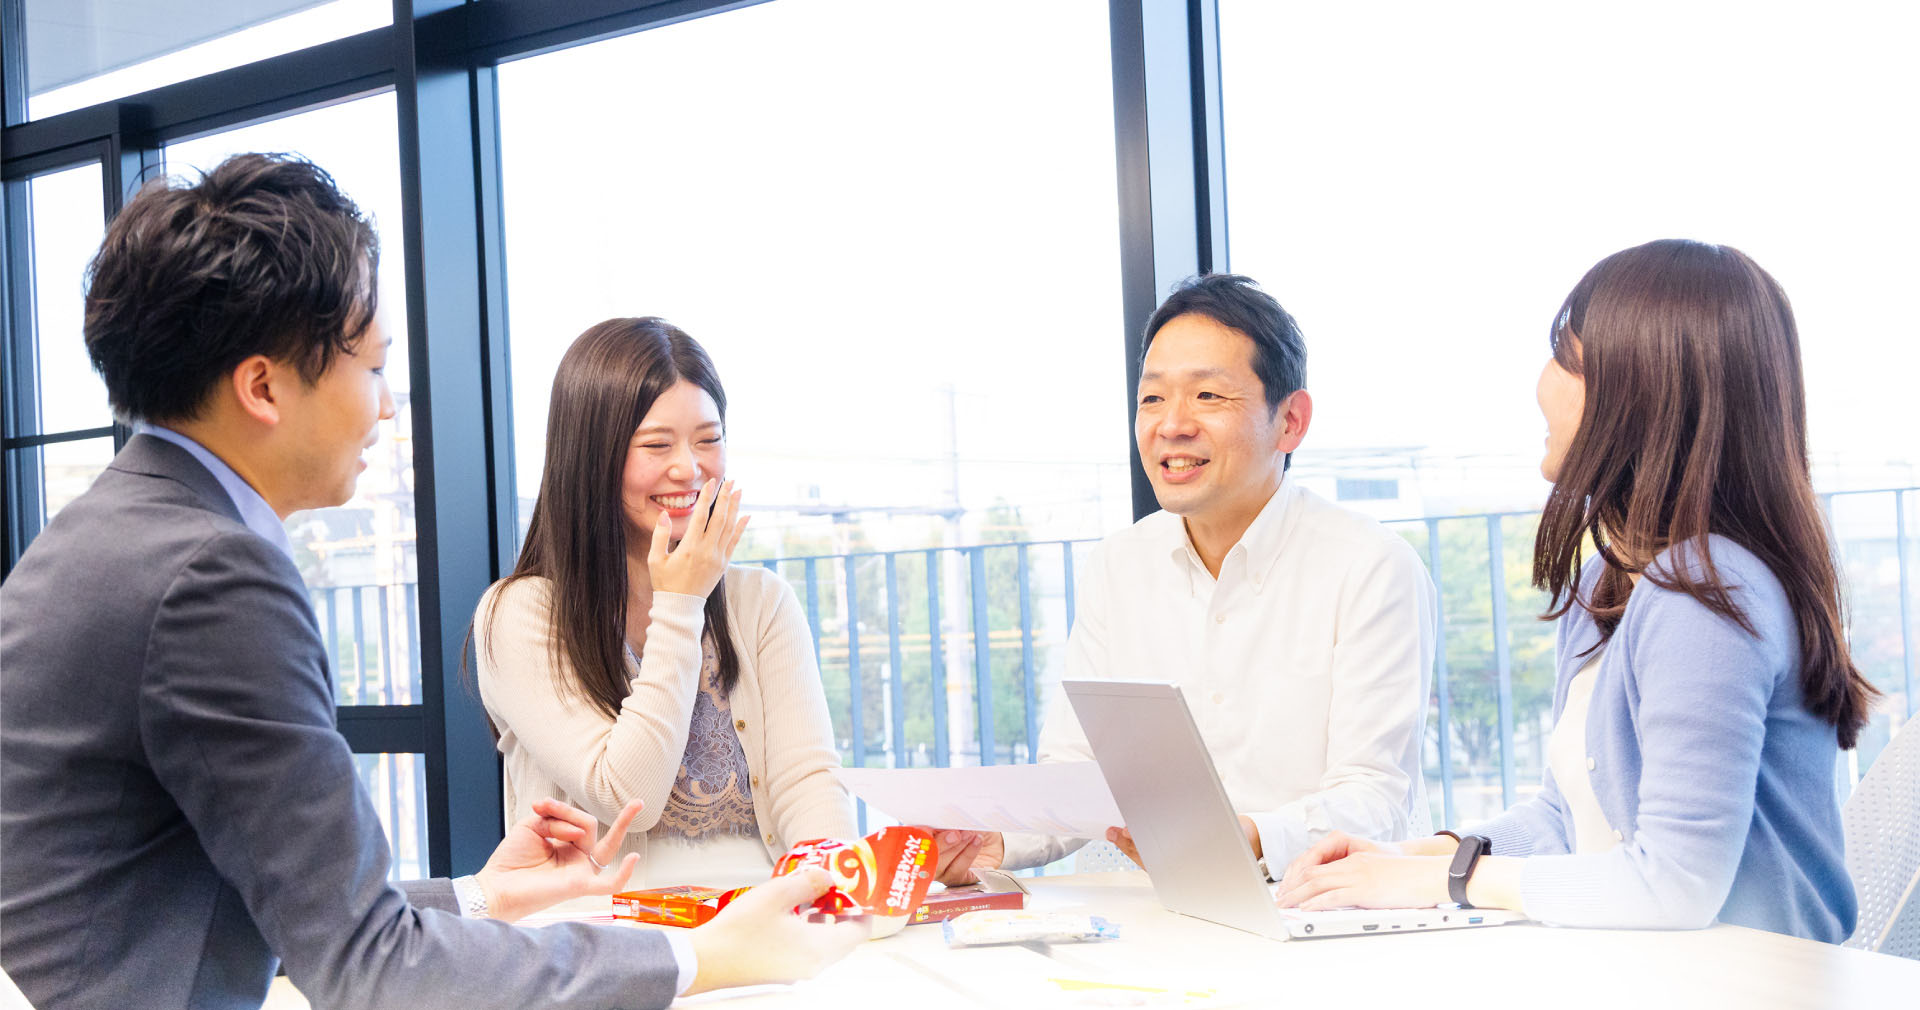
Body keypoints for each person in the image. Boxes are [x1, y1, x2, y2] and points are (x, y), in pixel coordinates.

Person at [0, 153, 863, 1010]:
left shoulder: (115, 534)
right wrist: (697, 962)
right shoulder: (211, 575)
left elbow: (282, 909)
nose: (385, 405)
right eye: (371, 367)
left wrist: (483, 897)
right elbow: (370, 965)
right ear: (263, 387)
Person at [1276, 239, 1873, 943]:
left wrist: (1441, 881)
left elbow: (1674, 884)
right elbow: (1567, 821)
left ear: (1641, 388)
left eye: (1566, 357)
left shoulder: (1706, 595)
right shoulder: (1615, 579)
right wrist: (1408, 858)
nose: (1541, 382)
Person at [933, 273, 1436, 883]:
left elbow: (1373, 798)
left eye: (1208, 397)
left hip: (1323, 907)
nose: (1171, 424)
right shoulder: (1118, 566)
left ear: (1291, 421)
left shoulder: (1370, 565)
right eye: (1152, 399)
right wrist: (995, 841)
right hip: (1163, 918)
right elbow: (1081, 770)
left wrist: (1243, 837)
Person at [475, 317, 855, 890]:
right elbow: (629, 796)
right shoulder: (519, 614)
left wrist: (830, 902)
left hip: (765, 921)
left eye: (708, 439)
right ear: (591, 456)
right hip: (604, 943)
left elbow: (809, 782)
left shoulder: (762, 601)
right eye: (656, 445)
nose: (689, 468)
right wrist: (680, 603)